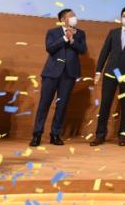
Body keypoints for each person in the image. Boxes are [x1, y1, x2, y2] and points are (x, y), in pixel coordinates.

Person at [91, 7, 125, 147]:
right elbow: (104, 52)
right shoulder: (113, 33)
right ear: (121, 17)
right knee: (105, 103)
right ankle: (100, 135)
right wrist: (98, 71)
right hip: (111, 72)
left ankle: (123, 135)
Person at [30, 9, 87, 147]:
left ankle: (55, 134)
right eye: (71, 16)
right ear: (62, 19)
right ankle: (37, 134)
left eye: (74, 15)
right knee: (44, 104)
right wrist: (65, 38)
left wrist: (72, 40)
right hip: (51, 73)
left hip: (69, 74)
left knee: (62, 105)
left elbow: (83, 50)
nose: (74, 18)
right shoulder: (53, 32)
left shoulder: (80, 33)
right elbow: (50, 48)